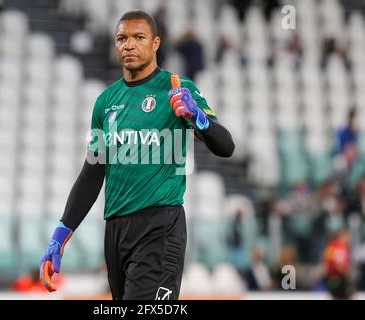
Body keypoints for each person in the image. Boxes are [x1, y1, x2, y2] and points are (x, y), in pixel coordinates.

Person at [39, 10, 235, 300]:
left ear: (155, 43)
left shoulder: (178, 88)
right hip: (116, 230)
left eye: (138, 37)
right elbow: (93, 173)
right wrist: (61, 234)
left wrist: (198, 117)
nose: (128, 45)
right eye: (122, 38)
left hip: (160, 226)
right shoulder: (105, 102)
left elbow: (226, 146)